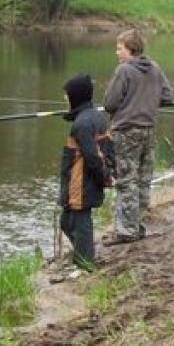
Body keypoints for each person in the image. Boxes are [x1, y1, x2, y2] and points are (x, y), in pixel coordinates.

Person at [102, 29, 174, 244]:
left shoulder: (124, 70)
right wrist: (147, 101)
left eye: (119, 48)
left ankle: (126, 230)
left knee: (126, 180)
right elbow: (168, 97)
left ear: (131, 49)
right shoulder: (155, 68)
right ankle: (138, 225)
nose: (116, 52)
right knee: (143, 179)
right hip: (148, 131)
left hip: (125, 131)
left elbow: (109, 103)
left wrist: (131, 103)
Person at [57, 74, 112, 272]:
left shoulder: (82, 124)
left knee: (80, 220)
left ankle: (85, 263)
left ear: (75, 97)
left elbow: (92, 157)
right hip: (81, 180)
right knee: (66, 221)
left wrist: (104, 177)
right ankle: (84, 253)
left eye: (67, 95)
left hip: (81, 181)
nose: (64, 99)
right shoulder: (94, 116)